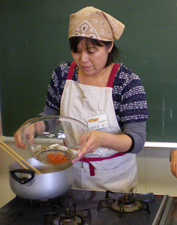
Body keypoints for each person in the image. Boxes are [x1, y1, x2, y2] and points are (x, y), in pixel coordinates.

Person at [14, 6, 148, 192]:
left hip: (115, 183)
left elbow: (137, 140)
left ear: (109, 46)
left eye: (91, 51)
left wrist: (102, 139)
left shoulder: (127, 82)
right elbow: (51, 116)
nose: (83, 59)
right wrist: (33, 126)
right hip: (69, 175)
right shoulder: (62, 74)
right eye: (76, 51)